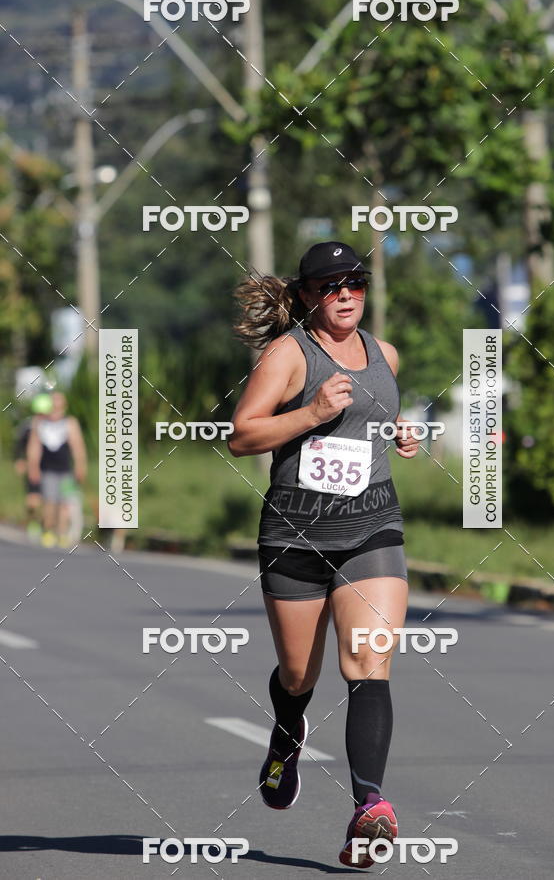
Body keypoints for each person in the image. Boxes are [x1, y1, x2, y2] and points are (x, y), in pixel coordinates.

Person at [228, 241, 419, 867]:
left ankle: (369, 807)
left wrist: (401, 432)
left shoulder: (384, 354)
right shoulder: (288, 355)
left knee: (368, 660)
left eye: (356, 283)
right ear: (308, 294)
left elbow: (375, 420)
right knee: (298, 675)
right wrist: (310, 411)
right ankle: (287, 734)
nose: (346, 294)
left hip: (371, 524)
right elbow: (244, 435)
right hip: (296, 531)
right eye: (331, 285)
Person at [26, 390, 87, 548]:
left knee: (65, 503)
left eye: (59, 400)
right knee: (50, 502)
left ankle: (62, 533)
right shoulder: (39, 422)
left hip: (66, 470)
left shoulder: (69, 422)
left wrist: (80, 466)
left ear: (64, 404)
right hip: (47, 470)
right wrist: (33, 467)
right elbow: (34, 447)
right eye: (53, 400)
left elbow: (77, 446)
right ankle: (48, 530)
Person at [13, 393, 53, 540]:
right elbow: (18, 445)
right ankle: (33, 521)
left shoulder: (53, 427)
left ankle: (47, 527)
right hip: (32, 467)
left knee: (49, 499)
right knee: (33, 500)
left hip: (50, 468)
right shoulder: (27, 426)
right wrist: (19, 460)